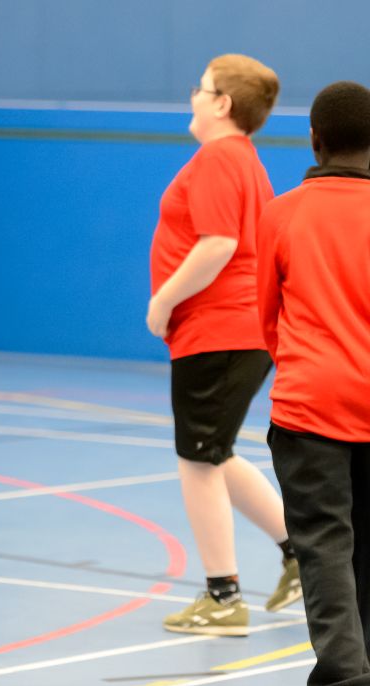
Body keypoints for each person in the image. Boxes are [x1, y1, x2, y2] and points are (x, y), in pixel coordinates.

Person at [146, 54, 298, 636]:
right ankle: (298, 553)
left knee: (197, 460)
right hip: (235, 331)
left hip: (218, 330)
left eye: (201, 88)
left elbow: (217, 244)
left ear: (222, 103)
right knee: (215, 451)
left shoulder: (218, 158)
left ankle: (222, 596)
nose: (193, 96)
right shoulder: (243, 160)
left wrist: (163, 302)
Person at [259, 80, 370, 686]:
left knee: (325, 547)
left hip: (311, 406)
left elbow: (266, 321)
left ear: (314, 140)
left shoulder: (283, 213)